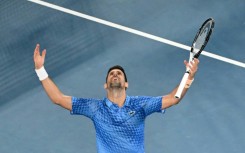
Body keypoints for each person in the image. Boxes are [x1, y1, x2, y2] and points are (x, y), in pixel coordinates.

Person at [33, 44, 199, 153]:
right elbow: (58, 98)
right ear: (105, 85)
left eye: (119, 73)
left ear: (126, 84)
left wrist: (189, 77)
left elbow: (173, 98)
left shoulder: (140, 105)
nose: (115, 75)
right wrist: (40, 70)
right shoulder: (94, 108)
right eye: (111, 74)